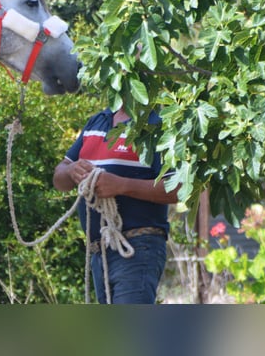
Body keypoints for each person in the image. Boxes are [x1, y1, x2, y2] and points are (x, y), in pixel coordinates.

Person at [53, 106, 179, 304]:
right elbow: (59, 178)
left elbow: (178, 188)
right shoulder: (97, 121)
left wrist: (122, 185)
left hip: (137, 249)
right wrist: (71, 171)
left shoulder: (158, 125)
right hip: (99, 251)